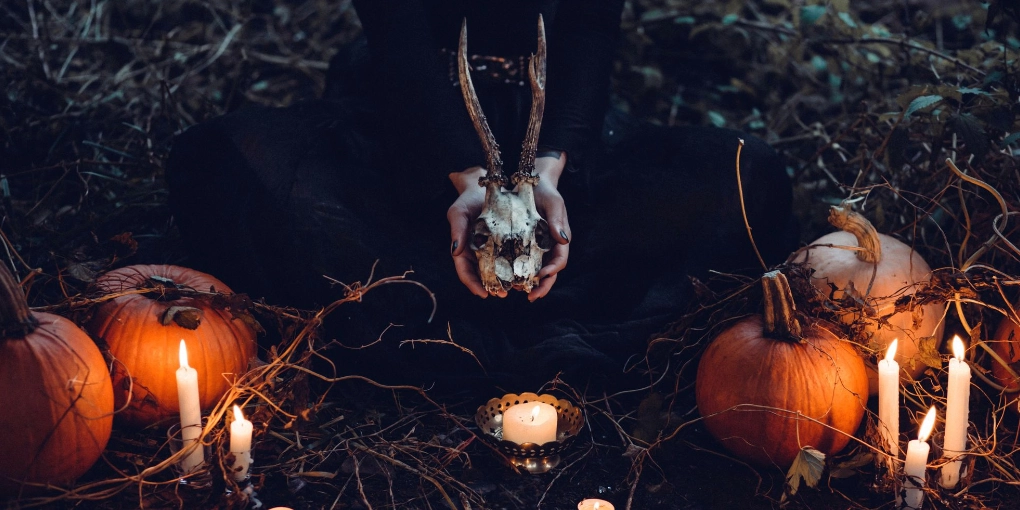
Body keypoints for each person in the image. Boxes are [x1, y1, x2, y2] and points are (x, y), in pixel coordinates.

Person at [166, 1, 795, 389]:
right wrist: (463, 172)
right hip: (411, 123)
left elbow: (591, 24)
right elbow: (395, 30)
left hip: (560, 133)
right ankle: (520, 310)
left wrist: (550, 167)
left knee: (748, 179)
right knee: (220, 163)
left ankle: (444, 304)